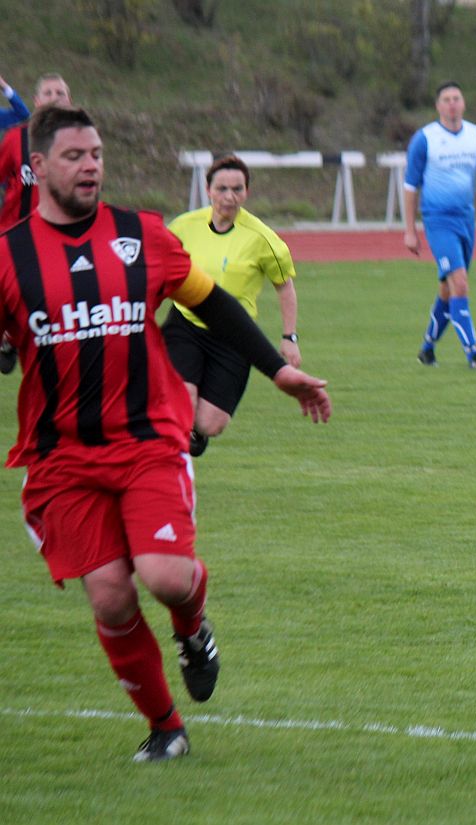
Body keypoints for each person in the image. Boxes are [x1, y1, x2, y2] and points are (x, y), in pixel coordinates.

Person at [0, 106, 332, 762]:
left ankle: (193, 627)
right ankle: (166, 726)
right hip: (61, 456)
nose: (90, 163)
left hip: (148, 437)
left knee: (165, 576)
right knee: (112, 595)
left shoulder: (139, 234)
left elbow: (213, 302)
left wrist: (277, 370)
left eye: (95, 152)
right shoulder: (9, 257)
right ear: (38, 169)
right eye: (73, 155)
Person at [165, 154, 302, 457]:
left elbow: (284, 286)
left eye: (237, 189)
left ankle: (194, 433)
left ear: (247, 192)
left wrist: (289, 337)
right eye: (222, 189)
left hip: (234, 335)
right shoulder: (182, 227)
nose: (229, 197)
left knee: (210, 423)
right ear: (208, 189)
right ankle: (171, 466)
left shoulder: (263, 239)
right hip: (185, 325)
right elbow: (158, 272)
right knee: (182, 402)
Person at [403, 81, 476, 370]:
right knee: (460, 282)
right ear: (438, 106)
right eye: (446, 99)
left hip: (466, 219)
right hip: (437, 220)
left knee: (448, 289)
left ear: (463, 103)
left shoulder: (475, 135)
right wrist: (410, 230)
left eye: (456, 98)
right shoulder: (425, 138)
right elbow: (410, 186)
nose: (452, 103)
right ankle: (472, 353)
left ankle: (427, 349)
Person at [0, 73, 71, 374]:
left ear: (69, 101)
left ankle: (13, 340)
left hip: (54, 241)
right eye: (49, 92)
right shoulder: (17, 138)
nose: (55, 96)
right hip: (12, 237)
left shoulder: (78, 143)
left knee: (46, 302)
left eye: (61, 92)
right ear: (38, 102)